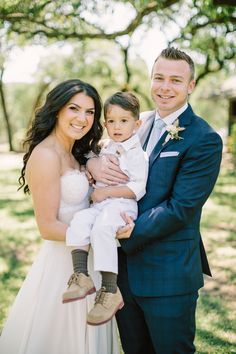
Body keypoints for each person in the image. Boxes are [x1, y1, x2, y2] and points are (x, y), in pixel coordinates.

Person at [87, 47, 223, 353]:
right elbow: (96, 148)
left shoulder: (204, 139)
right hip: (123, 275)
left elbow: (181, 208)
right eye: (159, 77)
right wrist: (93, 163)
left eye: (176, 80)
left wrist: (131, 229)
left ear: (191, 86)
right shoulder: (137, 122)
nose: (165, 86)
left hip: (168, 276)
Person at [0, 79, 119, 354]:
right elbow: (47, 226)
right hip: (63, 266)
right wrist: (100, 236)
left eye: (90, 112)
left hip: (90, 260)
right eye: (73, 109)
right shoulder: (45, 155)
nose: (82, 118)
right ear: (56, 110)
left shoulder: (77, 151)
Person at [62, 91, 149, 327]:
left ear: (137, 123)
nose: (117, 126)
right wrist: (91, 165)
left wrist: (105, 193)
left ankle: (110, 289)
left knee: (101, 230)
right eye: (111, 121)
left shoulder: (136, 154)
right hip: (101, 205)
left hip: (121, 206)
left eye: (124, 121)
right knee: (79, 221)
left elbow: (137, 188)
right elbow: (89, 155)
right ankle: (81, 276)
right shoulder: (107, 146)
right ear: (105, 124)